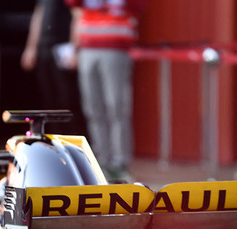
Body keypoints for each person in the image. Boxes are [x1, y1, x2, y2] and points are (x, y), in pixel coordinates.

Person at [65, 0, 145, 184]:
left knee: (116, 106)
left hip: (115, 48)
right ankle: (101, 159)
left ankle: (119, 162)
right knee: (93, 108)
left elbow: (139, 6)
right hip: (87, 47)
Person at [21, 0, 85, 134]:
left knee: (67, 98)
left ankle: (73, 138)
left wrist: (74, 47)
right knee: (49, 98)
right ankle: (55, 137)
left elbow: (77, 14)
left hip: (62, 47)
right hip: (44, 48)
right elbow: (38, 16)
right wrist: (31, 47)